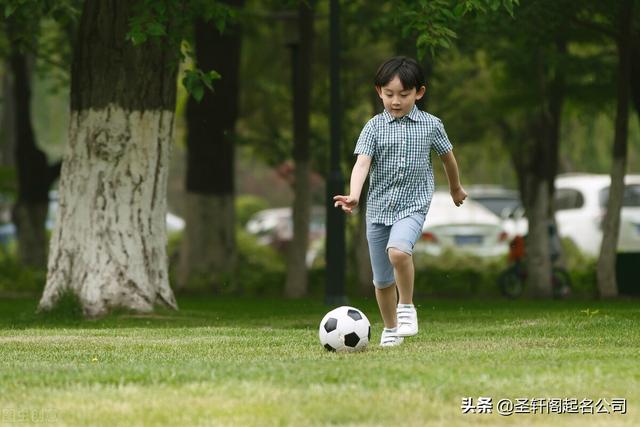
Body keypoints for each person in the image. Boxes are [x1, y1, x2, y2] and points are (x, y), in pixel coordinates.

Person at [334, 56, 467, 347]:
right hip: (378, 209)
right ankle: (391, 329)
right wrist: (354, 194)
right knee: (381, 281)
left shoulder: (431, 125)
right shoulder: (373, 127)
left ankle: (406, 306)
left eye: (404, 95)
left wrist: (455, 188)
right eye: (389, 94)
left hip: (413, 205)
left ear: (419, 92)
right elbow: (362, 164)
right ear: (378, 91)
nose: (396, 101)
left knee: (398, 253)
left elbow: (448, 158)